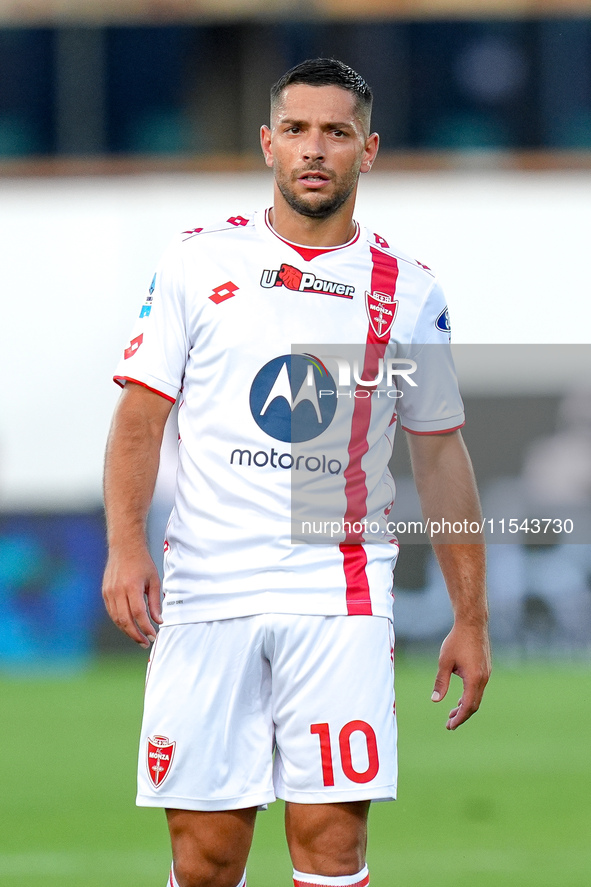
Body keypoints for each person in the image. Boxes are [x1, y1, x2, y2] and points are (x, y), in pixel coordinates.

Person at [102, 58, 491, 887]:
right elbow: (141, 416)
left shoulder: (408, 292)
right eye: (297, 130)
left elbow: (438, 452)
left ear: (368, 149)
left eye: (336, 133)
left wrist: (471, 615)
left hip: (337, 593)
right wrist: (125, 544)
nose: (315, 149)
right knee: (205, 859)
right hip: (207, 590)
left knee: (331, 848)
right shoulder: (198, 263)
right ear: (267, 143)